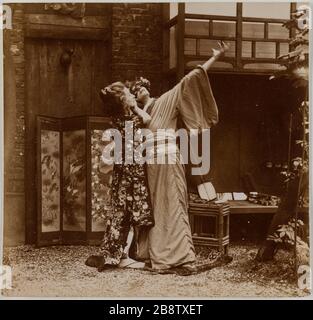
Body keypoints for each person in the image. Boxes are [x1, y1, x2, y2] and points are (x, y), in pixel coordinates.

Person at [129, 41, 230, 274]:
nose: (139, 90)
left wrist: (214, 58)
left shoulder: (165, 100)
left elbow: (190, 79)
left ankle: (181, 255)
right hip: (151, 165)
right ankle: (154, 254)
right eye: (135, 91)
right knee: (154, 209)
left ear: (148, 88)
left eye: (141, 87)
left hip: (168, 159)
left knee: (173, 204)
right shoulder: (137, 116)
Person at [85, 82, 154, 271]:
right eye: (128, 94)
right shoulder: (129, 119)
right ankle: (121, 256)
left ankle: (116, 253)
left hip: (124, 170)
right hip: (131, 172)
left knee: (120, 213)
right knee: (127, 213)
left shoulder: (119, 118)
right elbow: (147, 119)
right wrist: (135, 107)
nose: (132, 95)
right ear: (124, 100)